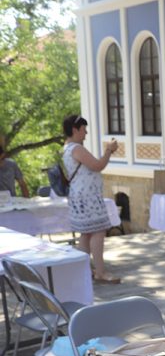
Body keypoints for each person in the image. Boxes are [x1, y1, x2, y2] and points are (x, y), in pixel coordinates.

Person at [61, 115, 121, 283]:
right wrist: (109, 150)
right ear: (75, 130)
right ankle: (100, 272)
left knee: (86, 233)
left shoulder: (67, 148)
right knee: (98, 231)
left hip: (80, 196)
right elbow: (97, 165)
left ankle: (84, 270)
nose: (86, 133)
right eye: (83, 129)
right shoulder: (77, 149)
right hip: (88, 198)